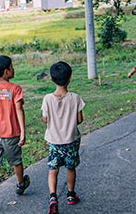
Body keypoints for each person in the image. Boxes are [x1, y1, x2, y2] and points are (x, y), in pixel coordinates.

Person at [0, 55, 30, 211]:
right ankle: (21, 184)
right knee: (16, 161)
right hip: (11, 133)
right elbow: (19, 110)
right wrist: (22, 132)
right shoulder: (15, 89)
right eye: (12, 67)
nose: (13, 69)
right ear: (6, 71)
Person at [41, 62, 85, 214]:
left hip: (54, 141)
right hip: (71, 140)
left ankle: (53, 197)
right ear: (70, 79)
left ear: (52, 80)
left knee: (53, 169)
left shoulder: (47, 99)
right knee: (70, 168)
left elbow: (45, 120)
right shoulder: (76, 98)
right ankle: (71, 195)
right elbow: (79, 120)